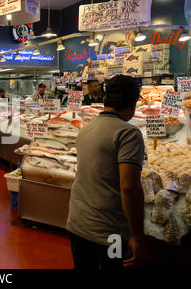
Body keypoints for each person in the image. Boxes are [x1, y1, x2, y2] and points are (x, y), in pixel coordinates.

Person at [66, 75, 150, 270]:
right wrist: (138, 237)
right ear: (133, 104)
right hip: (109, 234)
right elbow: (129, 187)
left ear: (104, 101)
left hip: (77, 225)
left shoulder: (86, 129)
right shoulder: (128, 133)